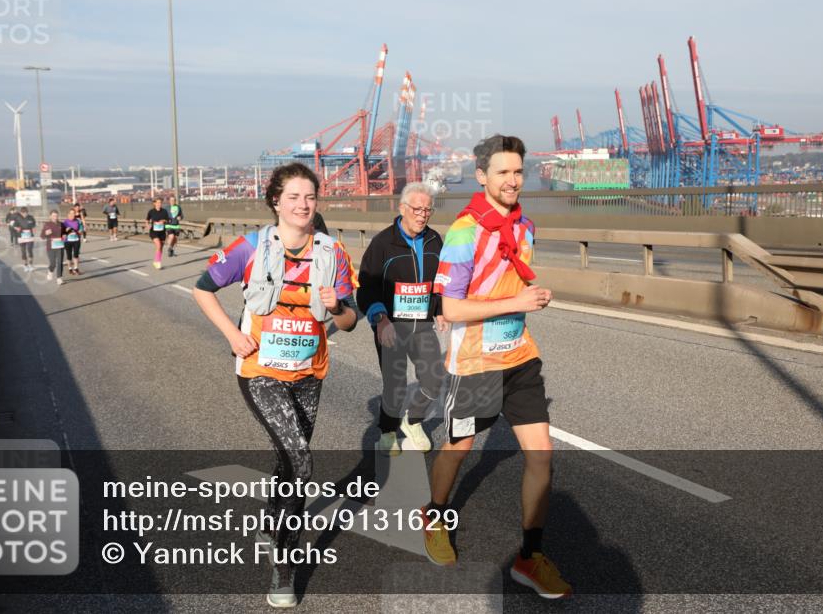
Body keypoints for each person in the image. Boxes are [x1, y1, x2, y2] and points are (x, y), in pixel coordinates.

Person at [192, 162, 357, 608]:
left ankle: (272, 522)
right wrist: (232, 335)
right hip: (260, 372)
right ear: (276, 202)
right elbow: (203, 288)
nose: (303, 205)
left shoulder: (334, 252)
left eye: (310, 197)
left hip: (309, 373)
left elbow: (349, 321)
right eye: (294, 197)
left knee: (288, 461)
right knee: (302, 463)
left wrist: (337, 304)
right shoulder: (250, 247)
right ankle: (284, 569)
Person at [421, 134, 571, 598]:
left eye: (518, 172)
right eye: (502, 172)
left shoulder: (525, 227)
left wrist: (529, 301)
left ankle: (529, 557)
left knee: (541, 458)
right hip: (475, 362)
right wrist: (517, 299)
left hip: (520, 356)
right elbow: (450, 307)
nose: (512, 180)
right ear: (482, 176)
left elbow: (511, 285)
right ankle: (435, 513)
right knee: (459, 448)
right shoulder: (466, 231)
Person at [356, 182, 447, 456]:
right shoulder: (383, 243)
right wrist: (380, 319)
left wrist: (441, 309)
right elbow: (366, 287)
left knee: (433, 378)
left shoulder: (434, 241)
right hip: (391, 326)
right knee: (394, 386)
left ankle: (413, 421)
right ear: (402, 208)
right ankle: (387, 432)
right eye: (417, 209)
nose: (422, 215)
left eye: (427, 210)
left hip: (422, 326)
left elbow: (441, 281)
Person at [41, 210, 65, 284]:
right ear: (50, 216)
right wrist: (46, 233)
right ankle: (50, 271)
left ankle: (59, 278)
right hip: (50, 247)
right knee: (53, 263)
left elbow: (65, 234)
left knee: (60, 262)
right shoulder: (47, 224)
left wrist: (64, 236)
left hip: (60, 246)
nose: (55, 217)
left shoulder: (61, 224)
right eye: (54, 216)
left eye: (56, 216)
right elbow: (42, 236)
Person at [145, 198, 169, 269]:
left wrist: (163, 221)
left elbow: (167, 220)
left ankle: (156, 261)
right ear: (154, 203)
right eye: (158, 202)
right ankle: (157, 262)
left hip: (162, 232)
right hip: (153, 232)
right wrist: (147, 225)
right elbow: (147, 220)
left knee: (161, 247)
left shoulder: (164, 211)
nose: (159, 204)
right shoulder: (151, 211)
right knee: (158, 245)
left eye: (160, 202)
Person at [62, 208, 83, 275]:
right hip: (68, 241)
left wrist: (80, 231)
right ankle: (70, 269)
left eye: (73, 213)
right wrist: (66, 230)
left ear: (75, 214)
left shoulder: (78, 221)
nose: (72, 215)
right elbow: (62, 232)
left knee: (76, 254)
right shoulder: (65, 222)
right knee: (69, 255)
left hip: (76, 240)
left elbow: (81, 228)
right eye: (70, 213)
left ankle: (76, 268)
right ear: (68, 215)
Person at [16, 207, 37, 272]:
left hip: (29, 235)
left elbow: (34, 225)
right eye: (23, 213)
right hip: (21, 236)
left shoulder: (31, 217)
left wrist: (34, 229)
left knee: (30, 250)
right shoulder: (17, 218)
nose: (25, 214)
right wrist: (16, 228)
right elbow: (13, 225)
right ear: (21, 213)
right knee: (23, 251)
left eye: (26, 212)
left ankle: (30, 265)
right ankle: (25, 265)